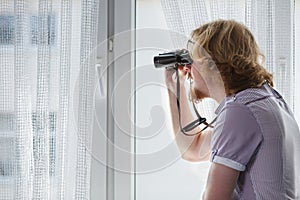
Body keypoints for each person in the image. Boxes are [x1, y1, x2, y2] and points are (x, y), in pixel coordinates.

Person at [164, 19, 300, 200]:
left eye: (191, 60)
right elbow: (193, 149)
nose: (188, 69)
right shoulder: (264, 100)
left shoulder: (240, 111)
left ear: (211, 64)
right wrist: (174, 87)